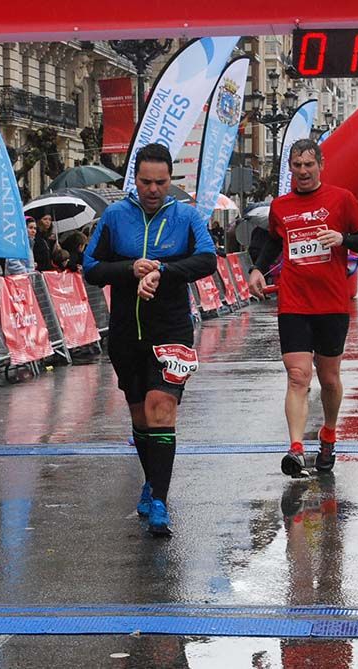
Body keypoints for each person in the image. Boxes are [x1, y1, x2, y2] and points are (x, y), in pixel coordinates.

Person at [84, 143, 217, 536]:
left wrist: (164, 270)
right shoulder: (115, 217)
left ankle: (159, 499)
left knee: (162, 409)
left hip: (172, 329)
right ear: (134, 180)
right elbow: (91, 267)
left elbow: (208, 259)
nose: (154, 189)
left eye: (161, 182)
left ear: (170, 179)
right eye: (146, 182)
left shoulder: (186, 217)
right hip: (127, 332)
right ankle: (151, 480)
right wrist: (129, 269)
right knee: (141, 416)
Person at [247, 138, 358, 477]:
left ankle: (328, 433)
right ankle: (297, 449)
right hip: (294, 302)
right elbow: (273, 240)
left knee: (329, 379)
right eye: (297, 165)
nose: (303, 171)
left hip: (331, 302)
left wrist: (342, 238)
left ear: (320, 165)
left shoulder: (342, 199)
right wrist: (257, 268)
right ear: (290, 167)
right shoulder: (281, 206)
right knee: (298, 375)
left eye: (309, 165)